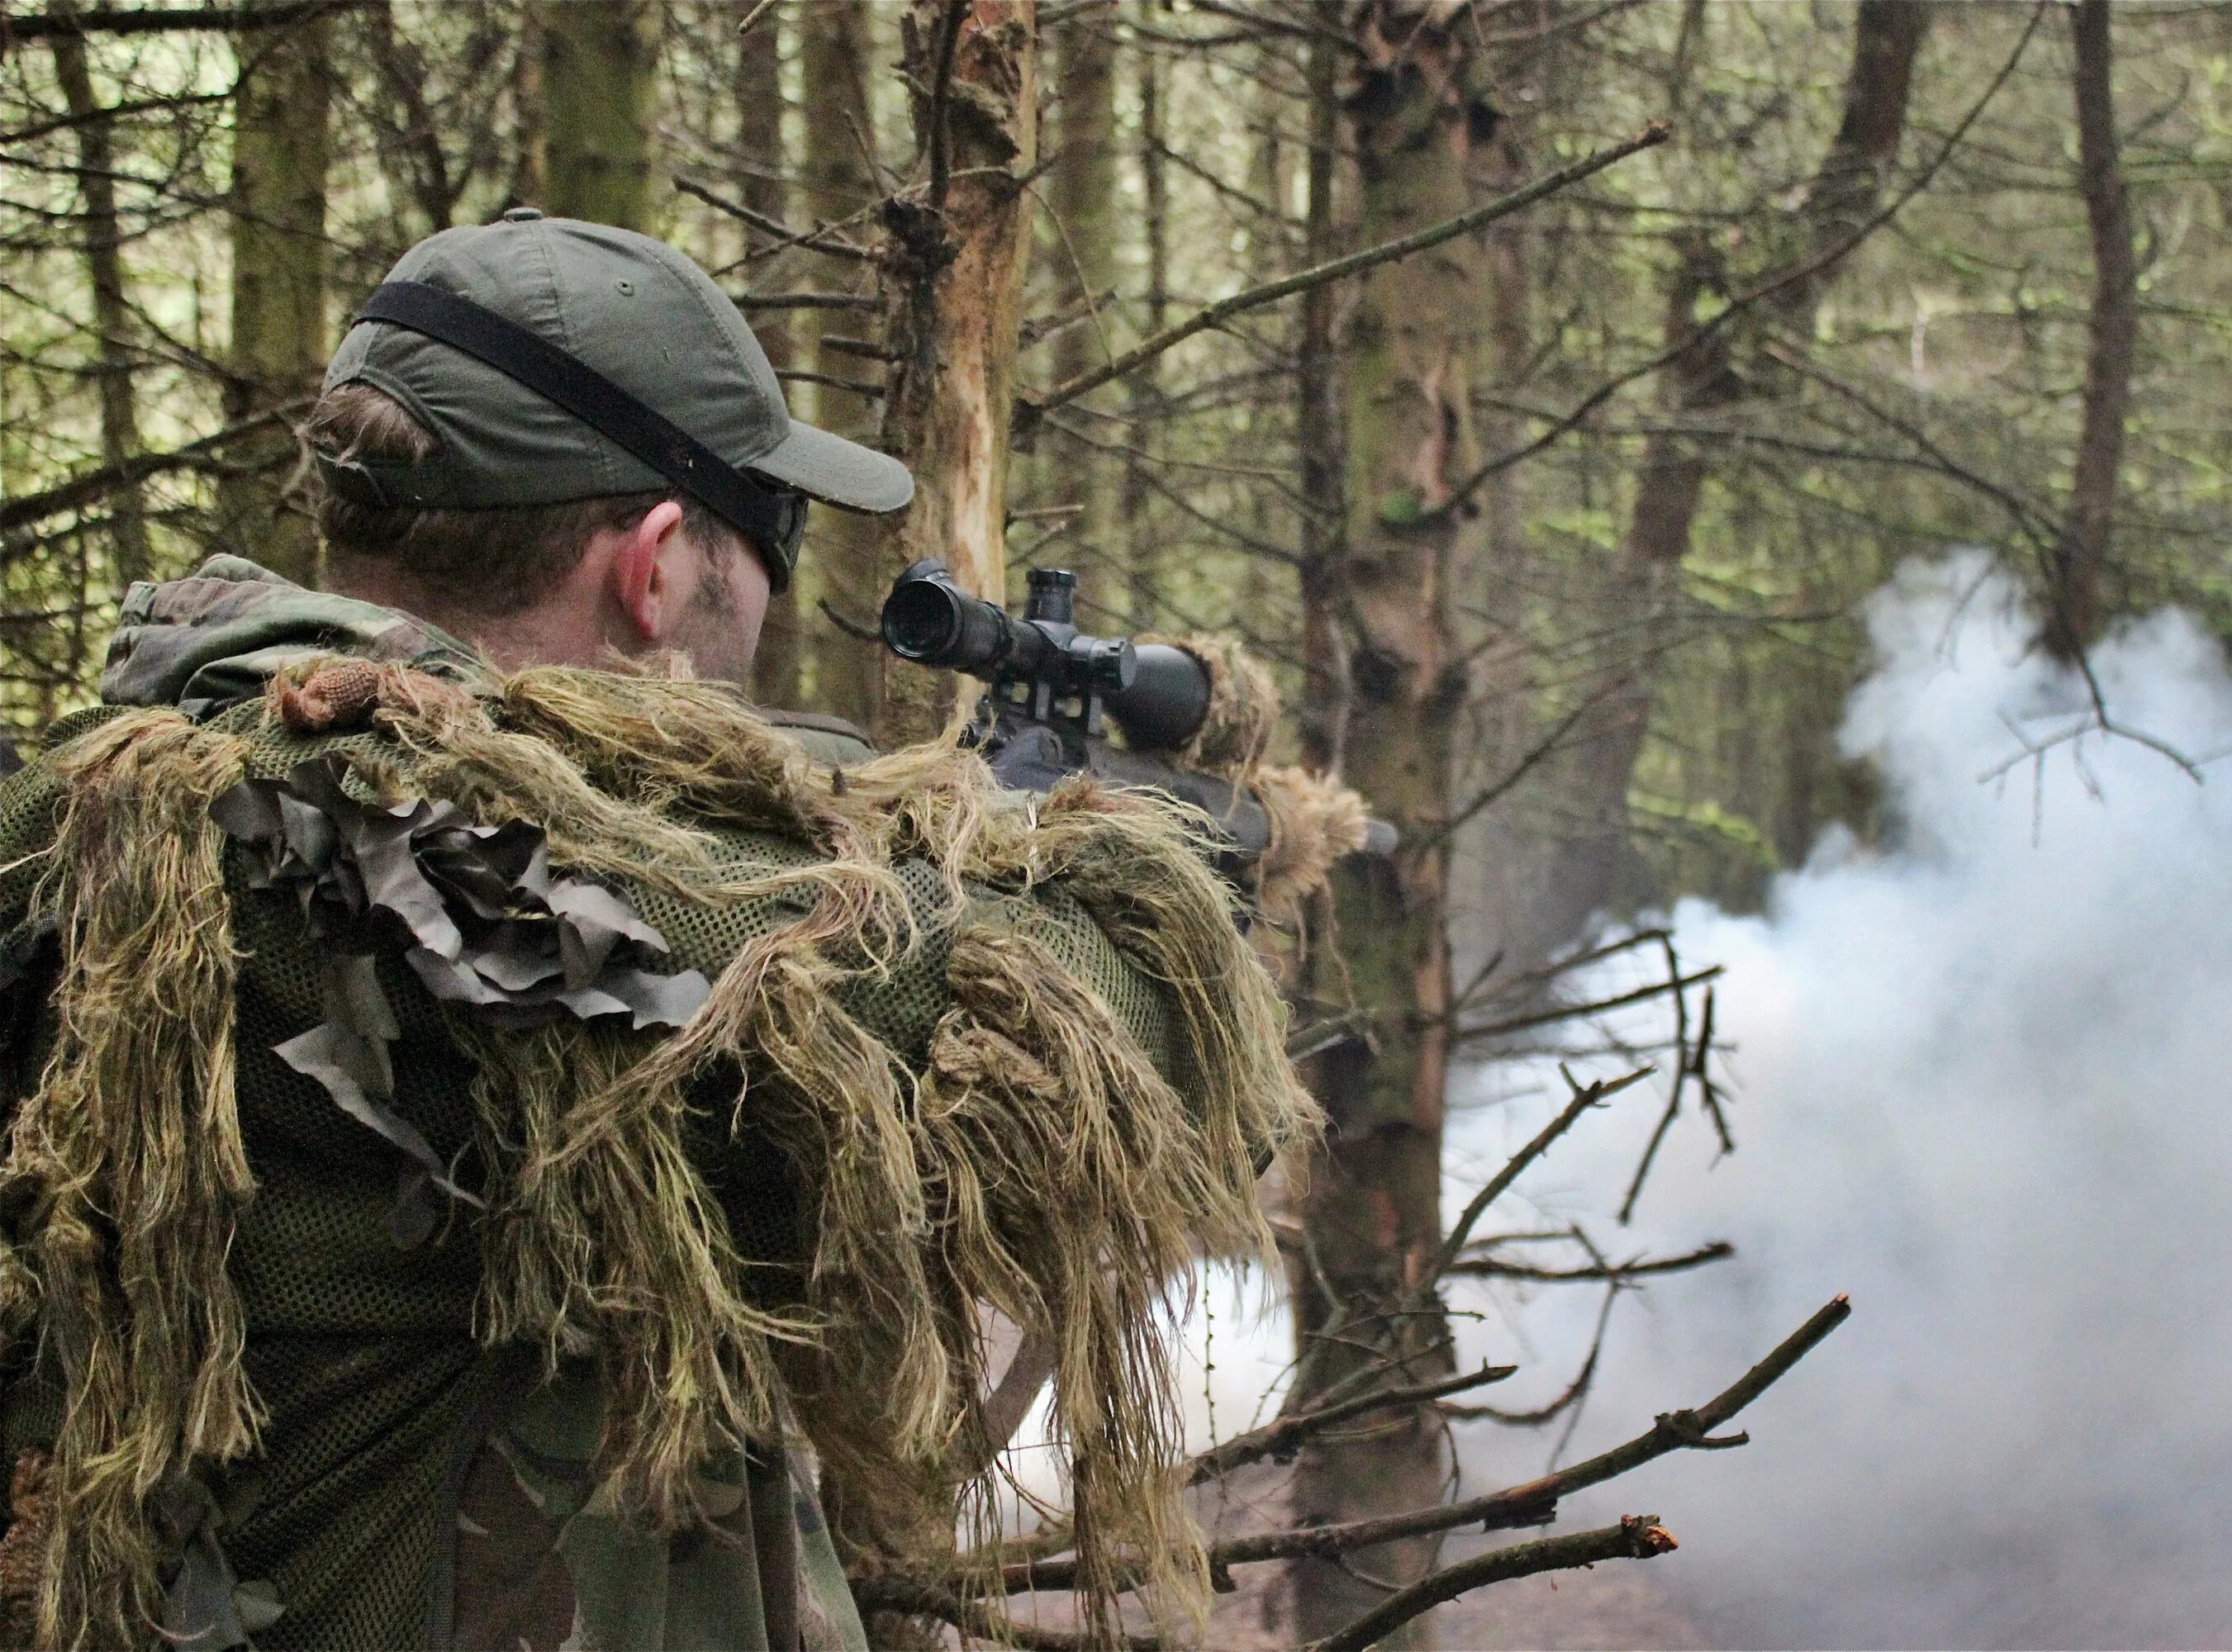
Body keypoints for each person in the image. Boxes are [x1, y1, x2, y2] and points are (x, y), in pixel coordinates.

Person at [0, 214, 1312, 1650]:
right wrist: (1129, 844)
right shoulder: (432, 854)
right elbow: (1137, 1057)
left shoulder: (132, 774)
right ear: (656, 563)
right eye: (772, 545)